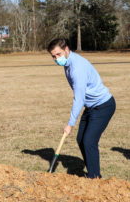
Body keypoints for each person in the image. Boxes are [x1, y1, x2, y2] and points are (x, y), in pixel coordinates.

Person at [47, 38, 116, 179]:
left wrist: (70, 124)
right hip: (91, 106)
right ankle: (94, 172)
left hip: (103, 106)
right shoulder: (68, 63)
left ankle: (94, 177)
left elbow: (79, 98)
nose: (56, 59)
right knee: (81, 139)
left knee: (89, 141)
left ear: (66, 49)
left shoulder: (76, 68)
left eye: (58, 54)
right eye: (53, 56)